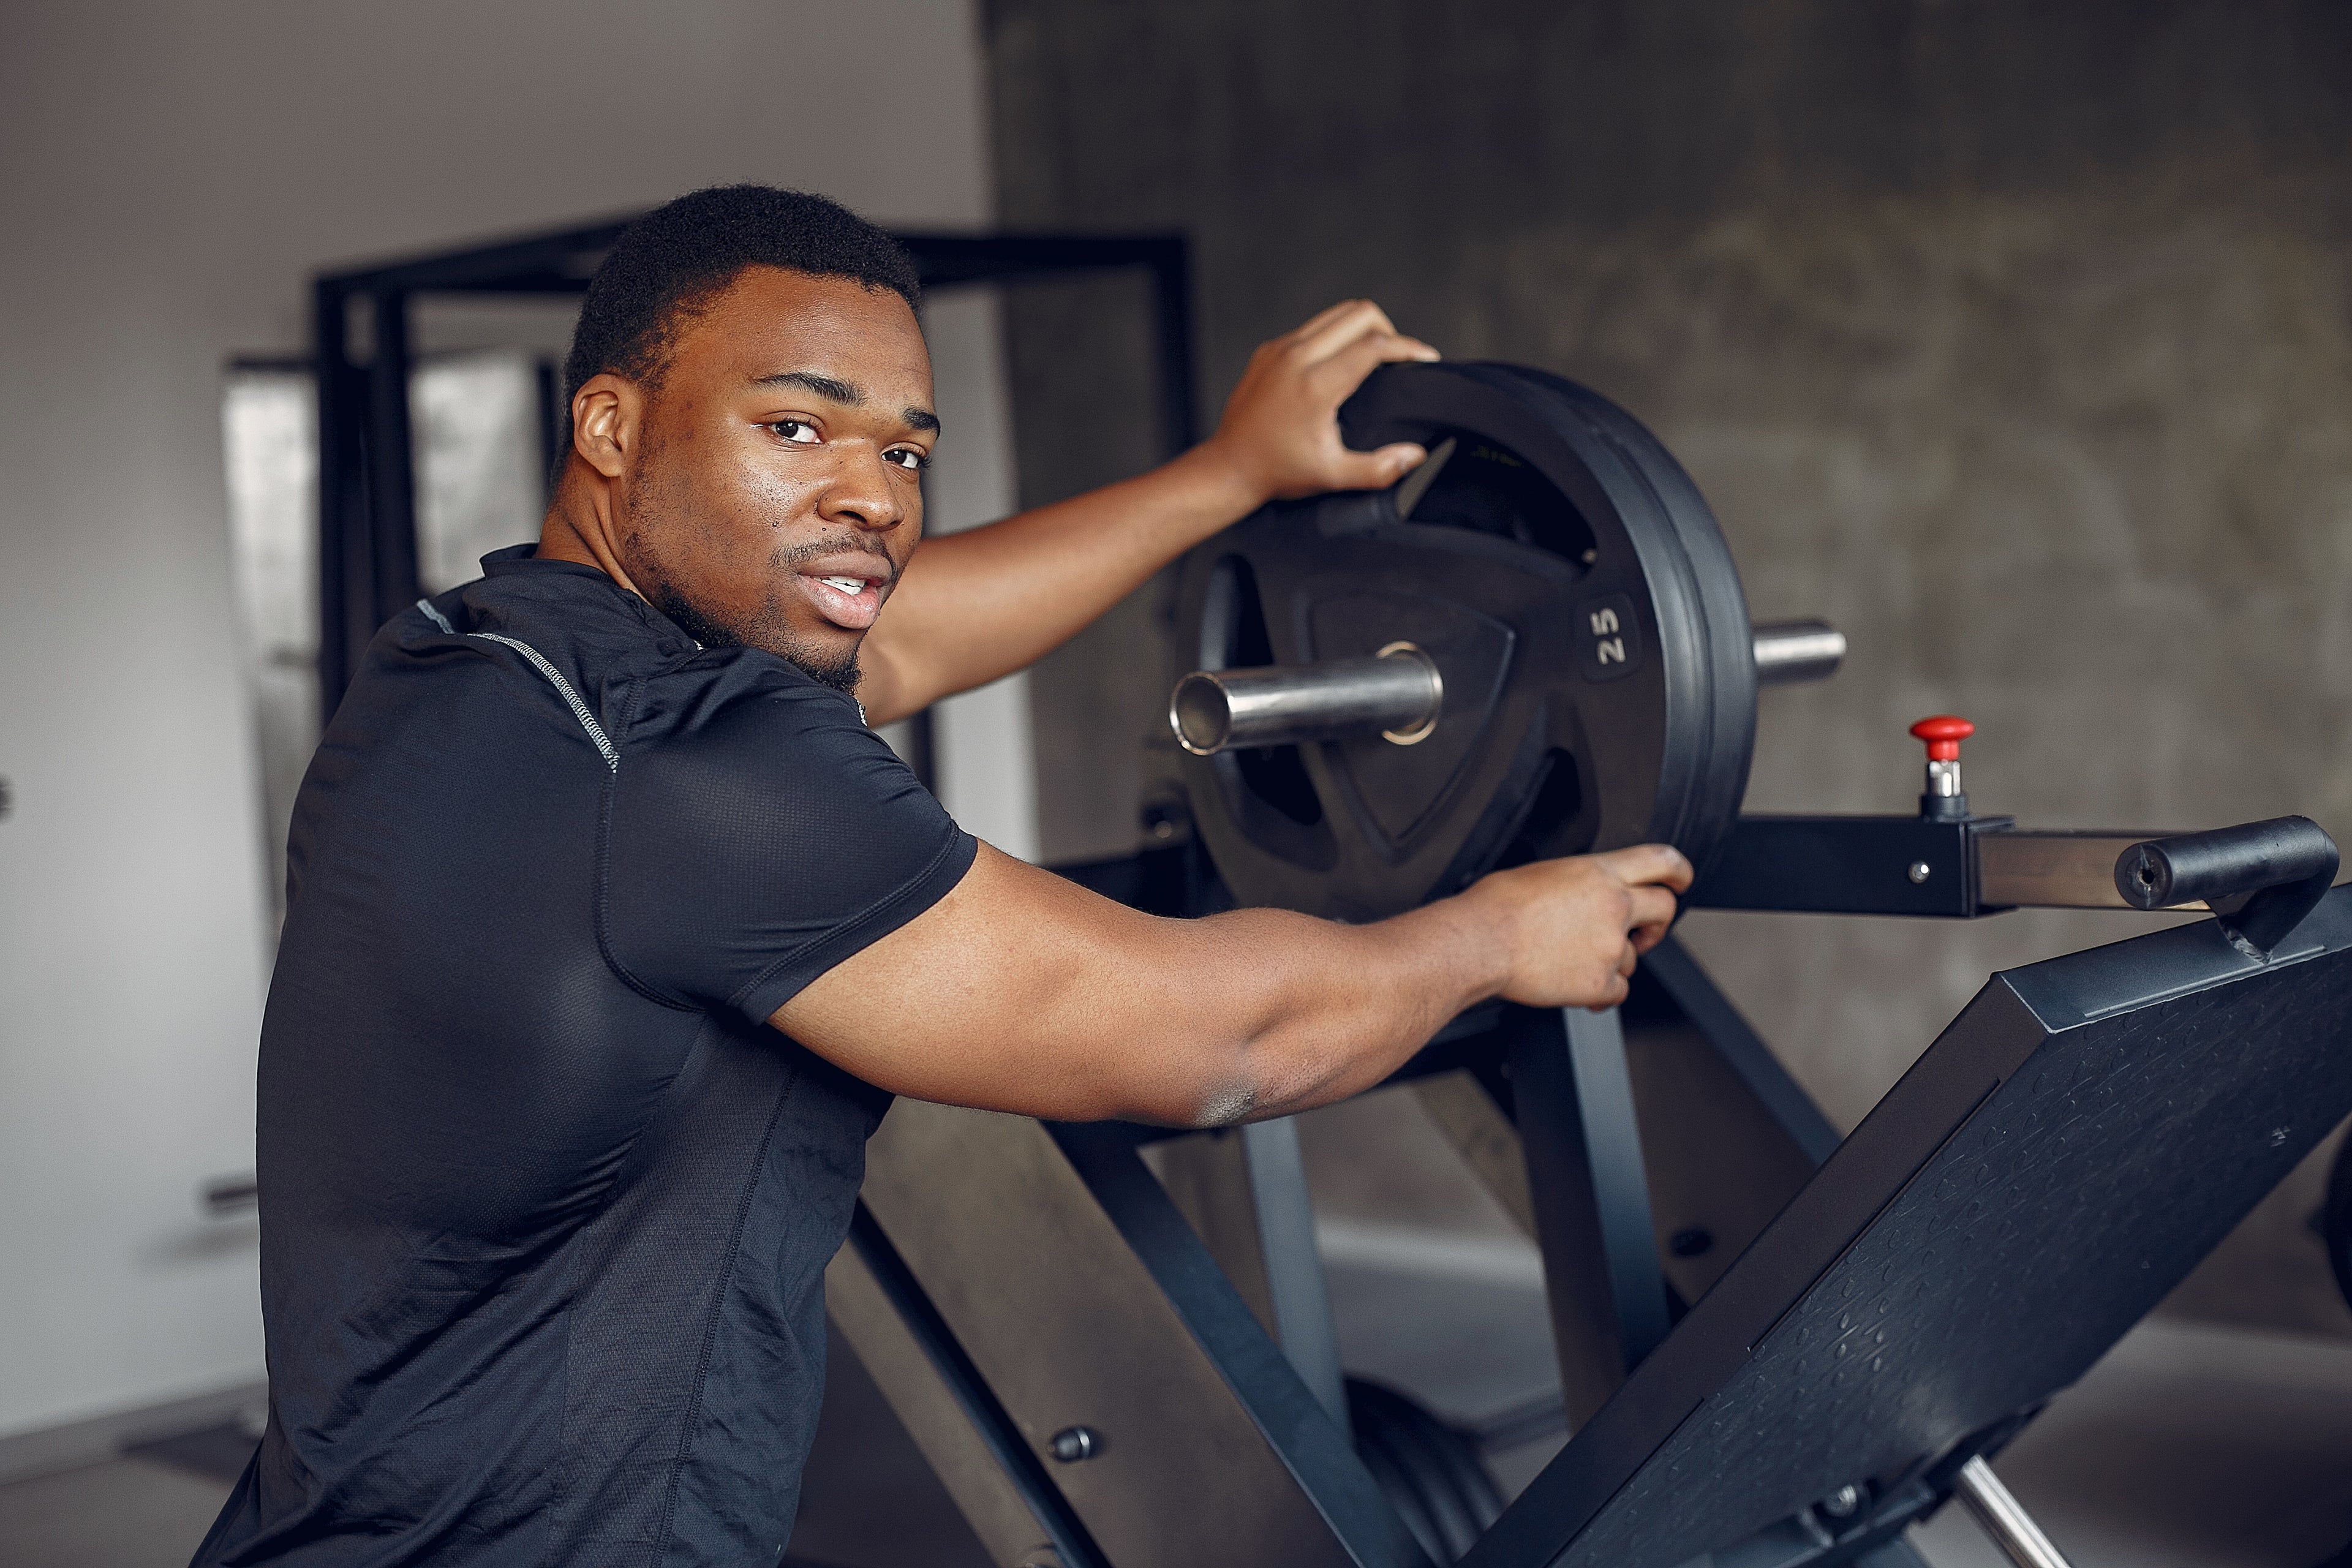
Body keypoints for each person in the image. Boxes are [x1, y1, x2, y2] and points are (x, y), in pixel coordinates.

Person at [193, 185, 1689, 1567]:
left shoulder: (466, 664)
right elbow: (1215, 1042)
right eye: (797, 427)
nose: (876, 498)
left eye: (904, 451)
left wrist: (1229, 473)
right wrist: (1497, 936)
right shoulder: (699, 769)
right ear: (610, 424)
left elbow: (897, 639)